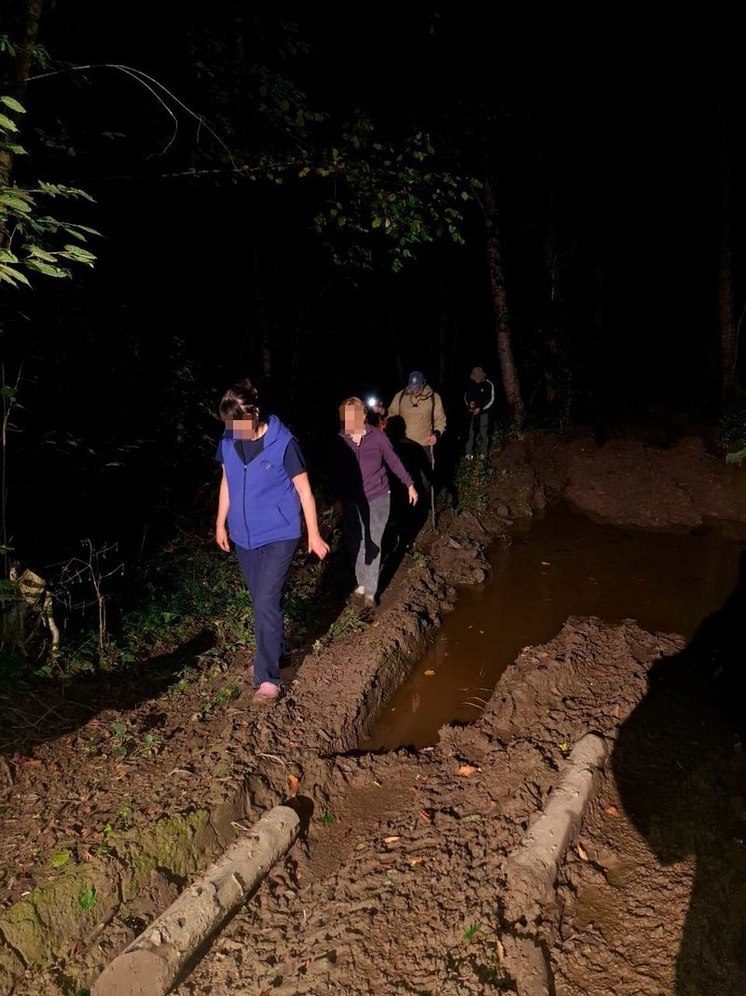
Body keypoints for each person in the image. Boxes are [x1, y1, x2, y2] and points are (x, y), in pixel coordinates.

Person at [215, 379, 329, 704]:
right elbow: (226, 482)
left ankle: (268, 677)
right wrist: (220, 522)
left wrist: (314, 534)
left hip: (281, 533)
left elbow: (305, 491)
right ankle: (275, 650)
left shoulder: (284, 443)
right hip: (244, 536)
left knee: (265, 601)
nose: (235, 430)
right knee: (262, 600)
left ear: (255, 413)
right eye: (230, 425)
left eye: (240, 424)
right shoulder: (228, 439)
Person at [328, 397, 418, 606]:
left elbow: (393, 460)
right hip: (352, 500)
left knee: (373, 541)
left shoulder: (377, 436)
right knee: (355, 541)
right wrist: (337, 500)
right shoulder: (340, 442)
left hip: (378, 496)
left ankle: (371, 589)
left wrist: (409, 484)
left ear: (363, 416)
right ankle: (362, 579)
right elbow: (334, 474)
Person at [385, 370, 446, 502]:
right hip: (403, 444)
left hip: (424, 444)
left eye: (417, 388)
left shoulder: (434, 398)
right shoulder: (400, 396)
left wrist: (436, 434)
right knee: (404, 476)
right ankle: (406, 505)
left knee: (425, 478)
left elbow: (440, 420)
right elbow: (391, 414)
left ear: (423, 383)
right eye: (412, 388)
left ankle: (424, 504)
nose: (414, 391)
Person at [463, 366, 495, 460]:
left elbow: (491, 400)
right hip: (472, 413)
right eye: (475, 378)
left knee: (484, 433)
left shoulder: (488, 384)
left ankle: (483, 454)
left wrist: (480, 408)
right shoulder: (470, 384)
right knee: (471, 433)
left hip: (484, 412)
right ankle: (469, 453)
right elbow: (466, 396)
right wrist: (469, 404)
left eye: (478, 379)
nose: (476, 380)